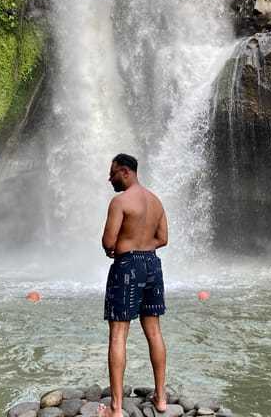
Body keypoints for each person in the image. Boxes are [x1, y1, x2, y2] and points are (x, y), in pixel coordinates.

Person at [98, 153, 168, 417]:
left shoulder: (120, 202)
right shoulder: (156, 201)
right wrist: (142, 248)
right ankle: (160, 398)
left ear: (125, 172)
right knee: (154, 332)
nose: (110, 178)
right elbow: (163, 238)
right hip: (152, 264)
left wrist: (122, 250)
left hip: (127, 266)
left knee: (118, 335)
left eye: (113, 173)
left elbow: (108, 242)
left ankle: (115, 409)